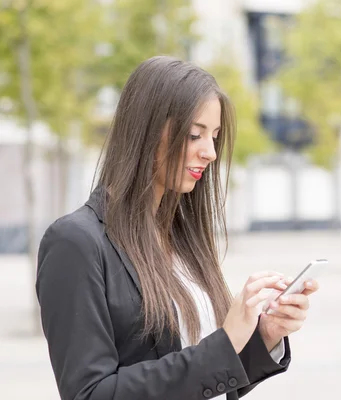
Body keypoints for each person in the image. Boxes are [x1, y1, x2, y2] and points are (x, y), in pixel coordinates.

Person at [35, 56, 319, 400]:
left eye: (214, 136)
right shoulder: (76, 243)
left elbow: (204, 378)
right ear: (146, 129)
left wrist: (264, 335)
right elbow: (91, 393)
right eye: (194, 134)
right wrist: (224, 342)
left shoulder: (181, 237)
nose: (211, 152)